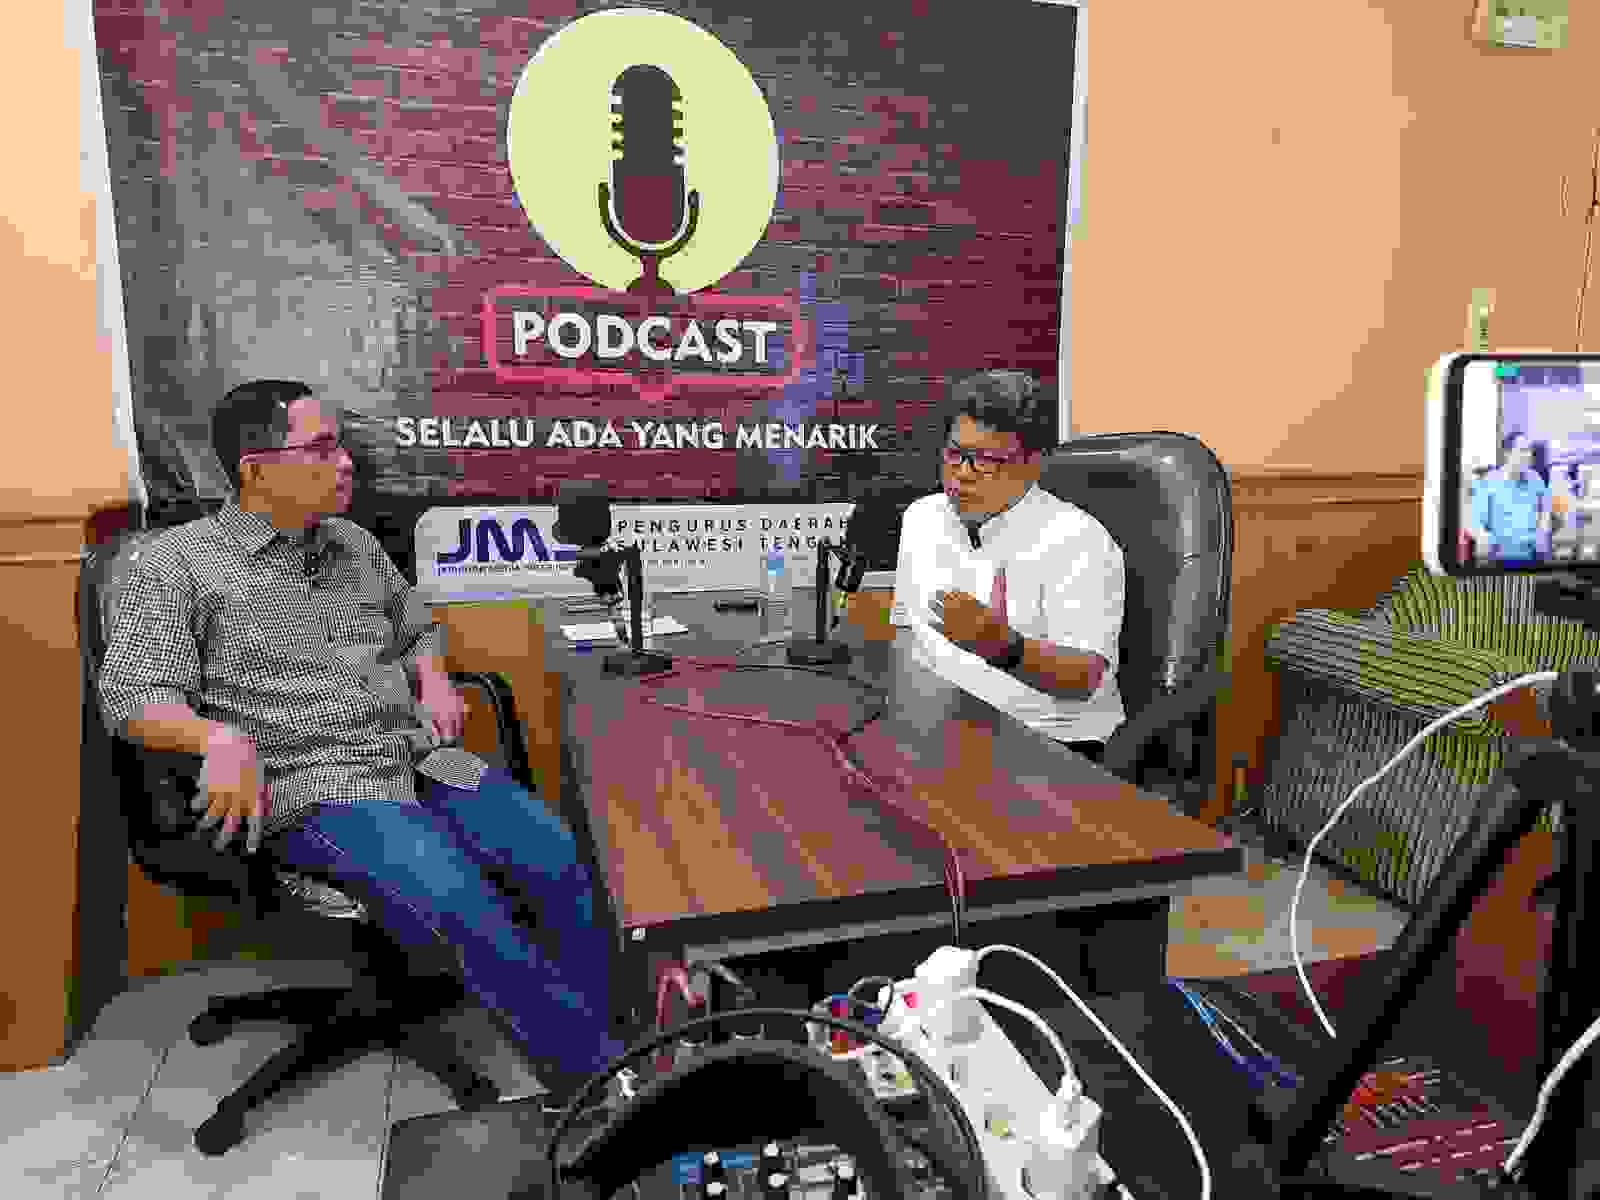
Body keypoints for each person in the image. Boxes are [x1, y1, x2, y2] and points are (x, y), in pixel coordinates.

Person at [97, 380, 622, 1112]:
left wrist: (432, 677)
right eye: (321, 448)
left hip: (415, 757)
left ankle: (618, 1041)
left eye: (340, 445)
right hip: (316, 783)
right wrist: (216, 736)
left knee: (556, 855)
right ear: (256, 469)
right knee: (455, 895)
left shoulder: (355, 544)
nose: (345, 462)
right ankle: (599, 1087)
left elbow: (415, 626)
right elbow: (130, 697)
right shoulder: (174, 565)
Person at [894, 370, 1125, 758]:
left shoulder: (1079, 539)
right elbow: (907, 636)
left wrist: (1002, 646)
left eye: (986, 460)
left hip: (1047, 741)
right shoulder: (922, 517)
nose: (962, 474)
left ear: (1033, 463)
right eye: (955, 454)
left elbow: (1083, 680)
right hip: (941, 727)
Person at [1471, 431, 1549, 562]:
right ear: (1508, 454)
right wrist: (1484, 539)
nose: (1528, 455)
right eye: (1523, 451)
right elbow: (1476, 522)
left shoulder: (1536, 479)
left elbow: (1545, 510)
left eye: (1529, 451)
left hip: (1532, 556)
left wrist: (1542, 531)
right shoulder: (1489, 482)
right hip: (1501, 558)